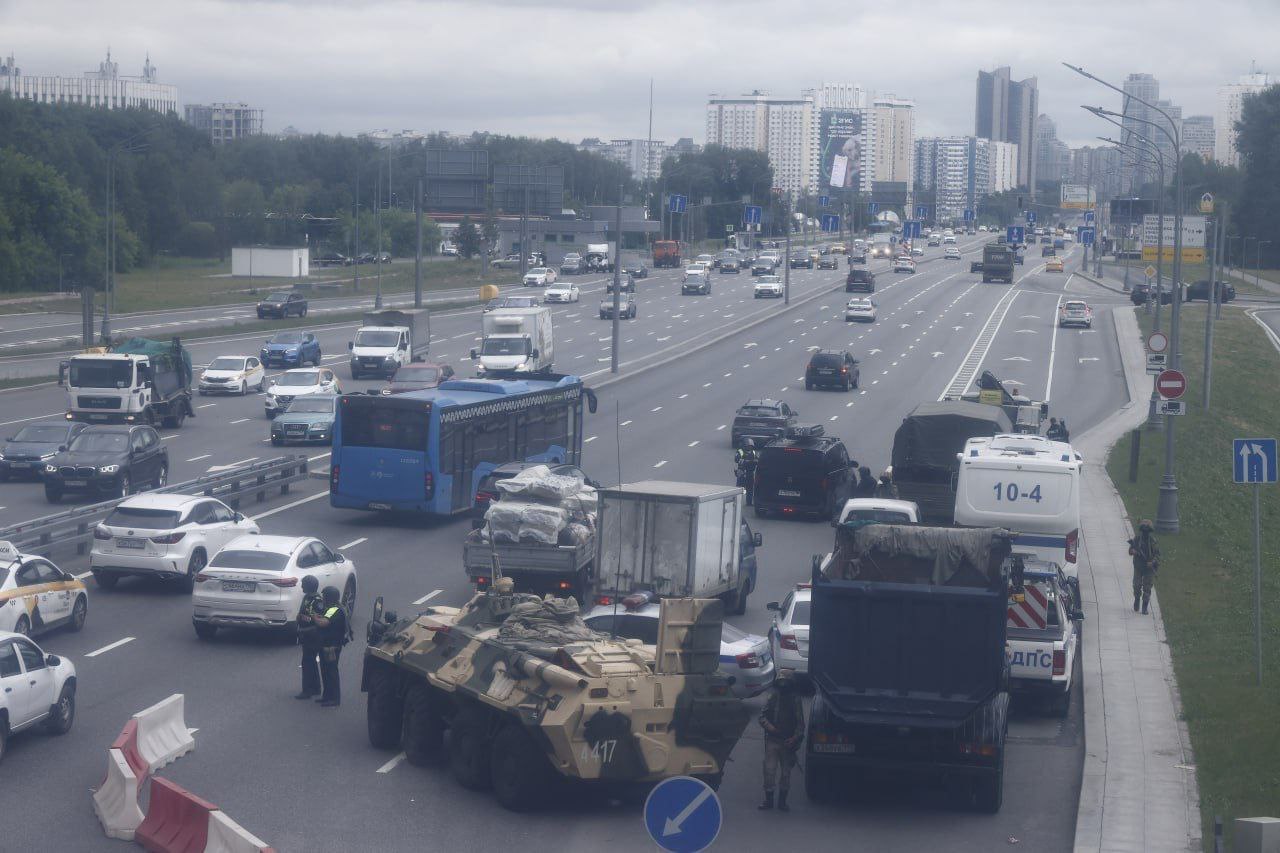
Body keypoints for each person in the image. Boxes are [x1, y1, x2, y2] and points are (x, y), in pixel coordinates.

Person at [758, 670, 805, 812]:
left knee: (786, 774)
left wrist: (794, 739)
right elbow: (762, 717)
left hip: (788, 743)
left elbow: (800, 724)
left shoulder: (796, 700)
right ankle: (769, 800)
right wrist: (770, 728)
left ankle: (782, 802)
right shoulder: (773, 697)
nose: (783, 685)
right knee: (769, 771)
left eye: (786, 682)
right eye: (781, 681)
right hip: (772, 740)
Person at [312, 586, 351, 707]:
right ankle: (327, 696)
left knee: (331, 672)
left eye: (325, 596)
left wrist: (314, 617)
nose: (323, 599)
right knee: (325, 671)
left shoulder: (334, 610)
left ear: (329, 598)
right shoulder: (335, 608)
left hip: (331, 647)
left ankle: (334, 698)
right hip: (327, 645)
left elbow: (323, 623)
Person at [294, 575, 324, 700]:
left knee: (307, 662)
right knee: (310, 661)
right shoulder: (307, 597)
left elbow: (318, 622)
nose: (301, 586)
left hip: (313, 636)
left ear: (309, 586)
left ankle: (307, 690)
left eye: (303, 584)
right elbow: (303, 613)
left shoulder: (317, 601)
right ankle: (316, 688)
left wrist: (304, 629)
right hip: (305, 634)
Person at [1128, 520, 1160, 614]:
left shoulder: (1153, 542)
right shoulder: (1137, 539)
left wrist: (1152, 562)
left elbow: (1158, 555)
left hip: (1149, 568)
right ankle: (1137, 599)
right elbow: (1130, 550)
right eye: (1144, 531)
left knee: (1147, 587)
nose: (1145, 533)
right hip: (1138, 566)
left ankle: (1145, 606)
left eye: (1147, 531)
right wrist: (1133, 551)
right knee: (1136, 585)